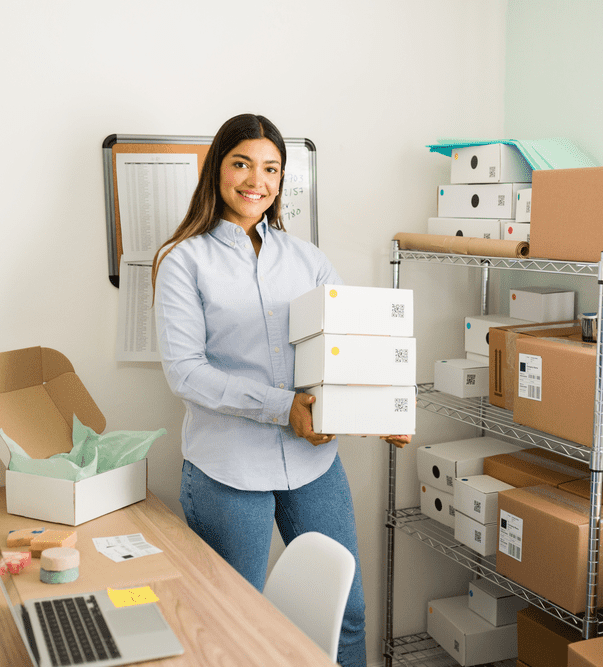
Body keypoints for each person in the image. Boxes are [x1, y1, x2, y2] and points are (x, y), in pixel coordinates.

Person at [151, 113, 409, 667]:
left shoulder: (308, 260)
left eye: (271, 168)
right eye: (242, 163)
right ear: (216, 169)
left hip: (312, 465)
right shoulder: (183, 260)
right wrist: (280, 406)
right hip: (227, 470)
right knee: (234, 625)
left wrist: (379, 407)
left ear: (281, 180)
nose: (256, 180)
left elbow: (346, 347)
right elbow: (186, 372)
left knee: (349, 611)